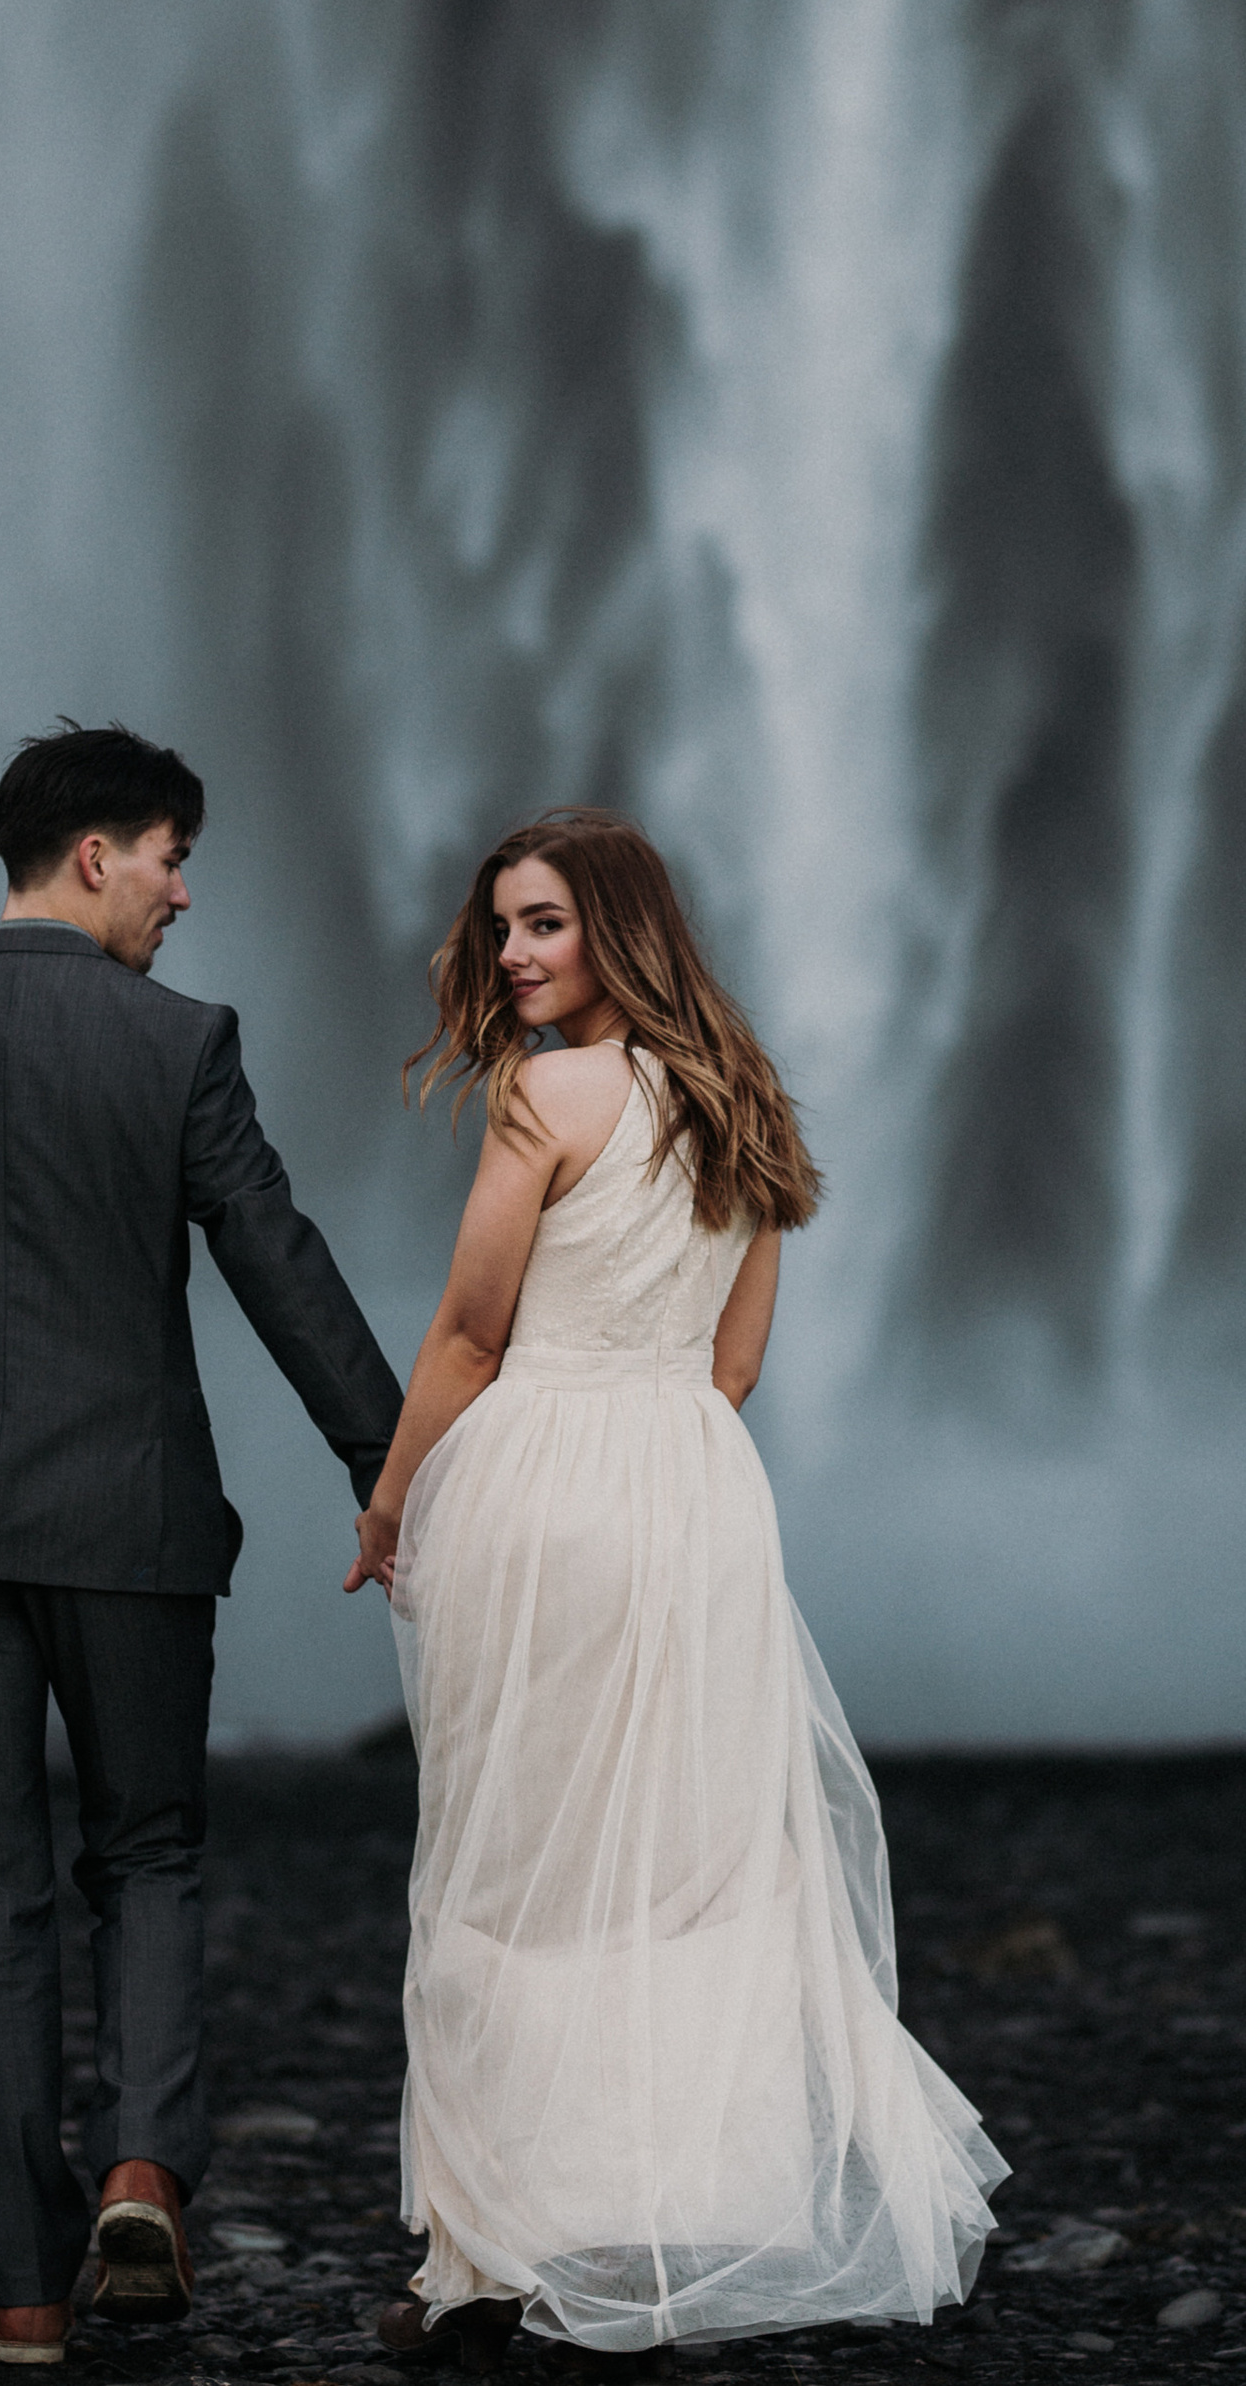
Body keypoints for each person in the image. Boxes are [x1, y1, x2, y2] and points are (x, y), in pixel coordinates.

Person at [0, 723, 403, 2366]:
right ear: (96, 854)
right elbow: (280, 1264)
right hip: (134, 1517)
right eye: (173, 860)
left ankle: (30, 2291)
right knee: (150, 1850)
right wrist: (394, 1464)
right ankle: (139, 2167)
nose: (184, 895)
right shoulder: (180, 1046)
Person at [346, 811, 1005, 2375]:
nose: (513, 952)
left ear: (620, 928)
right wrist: (662, 1453)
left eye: (545, 923)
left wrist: (389, 1500)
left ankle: (488, 2249)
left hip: (548, 1478)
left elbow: (470, 1333)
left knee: (510, 1856)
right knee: (678, 1853)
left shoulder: (541, 1094)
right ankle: (676, 2205)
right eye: (503, 924)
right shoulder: (740, 1097)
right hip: (695, 1489)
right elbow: (737, 1362)